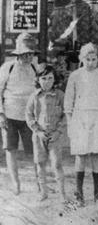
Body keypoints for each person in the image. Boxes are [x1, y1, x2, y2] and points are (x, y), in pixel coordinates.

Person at [64, 42, 98, 206]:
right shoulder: (75, 76)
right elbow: (68, 102)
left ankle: (97, 194)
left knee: (96, 155)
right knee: (81, 155)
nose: (91, 62)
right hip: (80, 117)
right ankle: (79, 194)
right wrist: (70, 123)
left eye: (94, 59)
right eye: (88, 59)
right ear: (81, 59)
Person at [0, 31, 41, 195]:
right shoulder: (7, 67)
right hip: (9, 116)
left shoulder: (34, 67)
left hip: (29, 117)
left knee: (35, 151)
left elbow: (39, 91)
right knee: (11, 150)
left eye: (30, 54)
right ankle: (16, 183)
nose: (28, 57)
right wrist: (1, 114)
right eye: (25, 54)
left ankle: (40, 182)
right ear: (18, 54)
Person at [25, 65, 67, 202]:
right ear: (38, 79)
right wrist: (37, 130)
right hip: (39, 136)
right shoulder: (35, 96)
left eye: (50, 78)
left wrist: (58, 131)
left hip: (55, 136)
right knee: (40, 163)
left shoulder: (60, 95)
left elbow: (66, 114)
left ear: (55, 80)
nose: (47, 82)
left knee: (57, 164)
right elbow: (29, 115)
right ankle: (43, 192)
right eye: (44, 78)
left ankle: (62, 193)